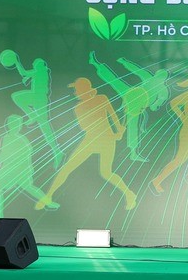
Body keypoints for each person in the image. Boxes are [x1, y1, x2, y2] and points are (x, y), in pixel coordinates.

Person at [35, 78, 136, 211]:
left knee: (106, 172)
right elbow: (86, 127)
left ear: (84, 90)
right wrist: (115, 134)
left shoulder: (101, 99)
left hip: (106, 140)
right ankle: (48, 196)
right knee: (67, 168)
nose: (75, 92)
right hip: (92, 140)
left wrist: (118, 130)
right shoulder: (78, 107)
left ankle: (129, 194)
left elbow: (113, 116)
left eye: (76, 89)